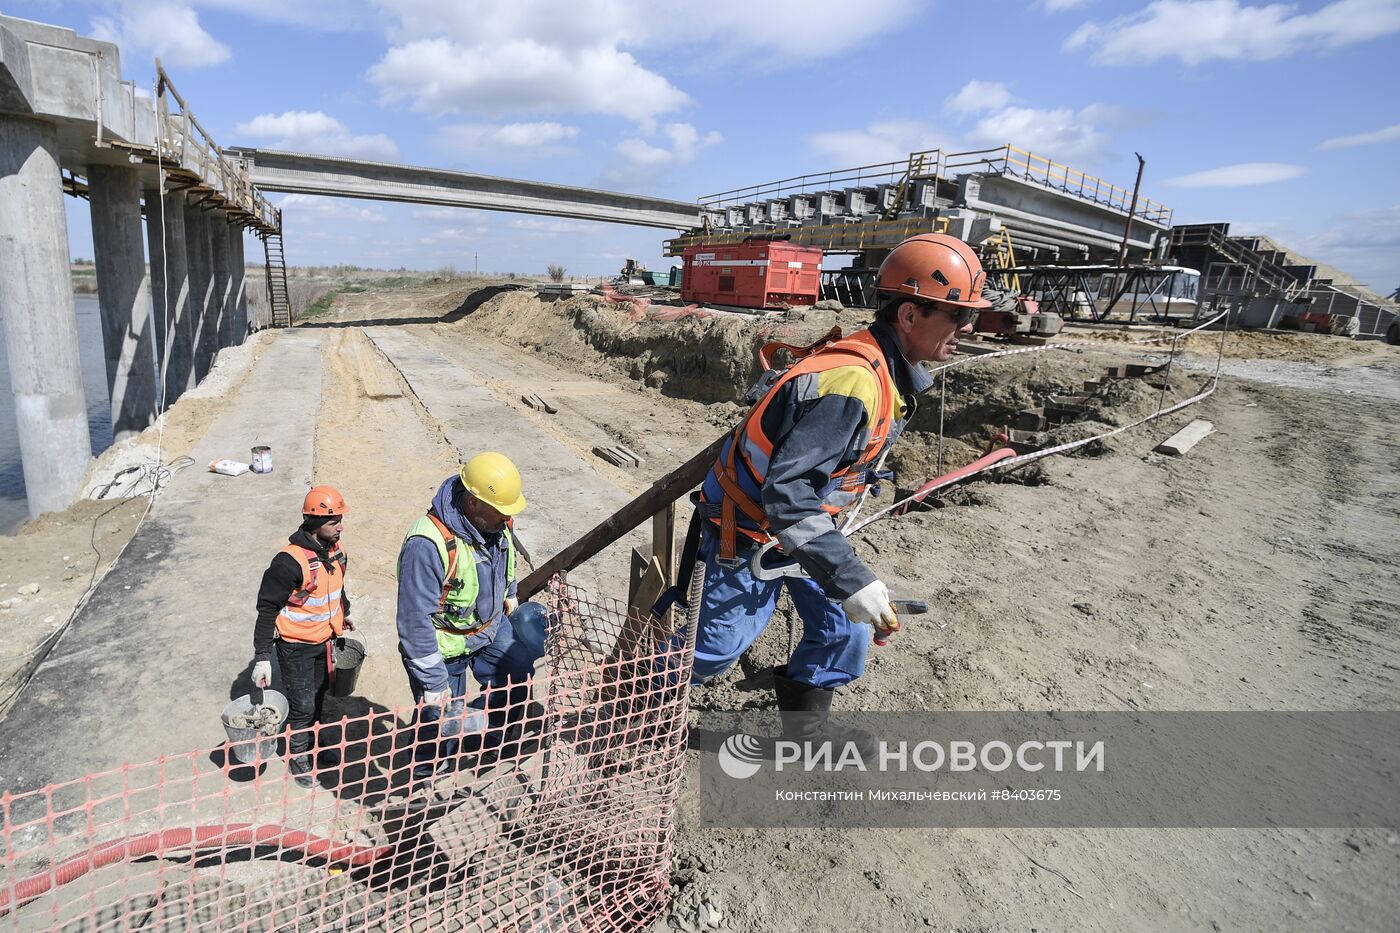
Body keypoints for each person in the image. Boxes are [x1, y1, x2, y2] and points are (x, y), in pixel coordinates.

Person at [691, 233, 990, 746]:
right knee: (716, 648)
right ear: (910, 316)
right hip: (748, 530)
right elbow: (786, 494)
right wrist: (851, 576)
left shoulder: (886, 370)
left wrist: (845, 576)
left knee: (843, 629)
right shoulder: (854, 382)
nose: (966, 329)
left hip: (805, 530)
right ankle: (628, 708)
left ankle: (805, 733)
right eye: (957, 316)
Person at [396, 452, 547, 779]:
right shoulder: (427, 544)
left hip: (490, 626)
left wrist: (509, 594)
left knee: (517, 671)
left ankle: (498, 736)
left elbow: (505, 560)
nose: (506, 519)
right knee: (438, 717)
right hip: (444, 645)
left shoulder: (497, 521)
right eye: (501, 511)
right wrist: (433, 679)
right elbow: (412, 621)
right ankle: (427, 768)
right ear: (474, 502)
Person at [252, 485, 353, 788]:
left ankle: (317, 746)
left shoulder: (337, 551)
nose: (340, 526)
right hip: (295, 646)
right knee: (303, 704)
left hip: (324, 639)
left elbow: (336, 586)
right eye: (332, 521)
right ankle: (298, 755)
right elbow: (267, 608)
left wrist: (343, 611)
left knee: (322, 695)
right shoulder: (288, 562)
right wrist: (262, 658)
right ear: (312, 522)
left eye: (340, 519)